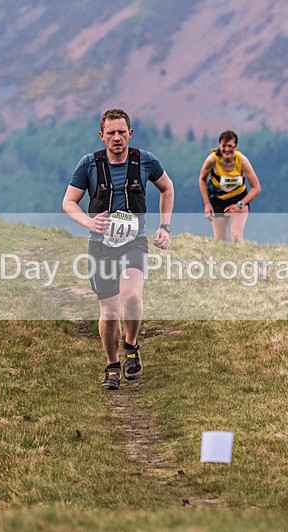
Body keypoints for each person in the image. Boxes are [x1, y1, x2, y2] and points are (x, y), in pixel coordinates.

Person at [62, 109, 175, 390]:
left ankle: (131, 345)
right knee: (110, 313)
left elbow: (167, 188)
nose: (116, 138)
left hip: (134, 242)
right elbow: (68, 202)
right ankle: (112, 365)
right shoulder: (89, 164)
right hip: (100, 247)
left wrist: (165, 226)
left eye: (121, 132)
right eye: (110, 133)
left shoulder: (145, 161)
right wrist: (89, 221)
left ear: (130, 134)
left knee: (132, 295)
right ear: (102, 136)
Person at [198, 130, 261, 243]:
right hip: (218, 201)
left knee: (236, 236)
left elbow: (256, 188)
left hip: (239, 199)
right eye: (224, 146)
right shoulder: (212, 160)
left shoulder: (242, 161)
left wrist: (240, 204)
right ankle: (225, 261)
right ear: (220, 145)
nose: (227, 149)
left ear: (236, 146)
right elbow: (202, 179)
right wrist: (207, 204)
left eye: (230, 146)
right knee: (221, 242)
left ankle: (240, 260)